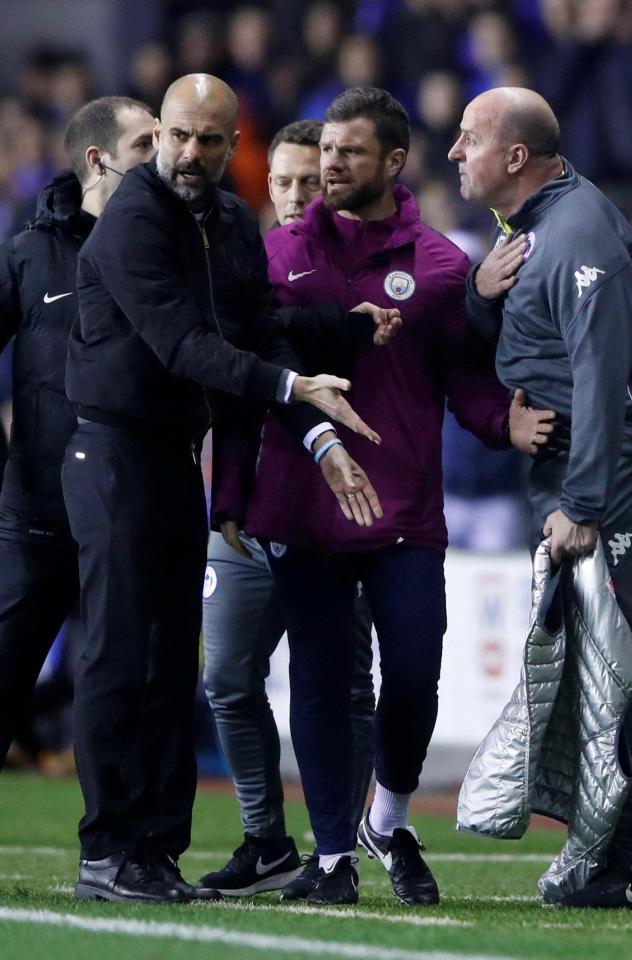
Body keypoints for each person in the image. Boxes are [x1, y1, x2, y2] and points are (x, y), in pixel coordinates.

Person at [214, 86, 554, 906]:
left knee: (412, 675)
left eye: (349, 153)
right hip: (300, 505)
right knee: (323, 683)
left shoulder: (439, 269)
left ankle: (388, 817)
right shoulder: (279, 255)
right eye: (326, 151)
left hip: (403, 510)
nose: (329, 166)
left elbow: (462, 381)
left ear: (393, 162)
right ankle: (332, 854)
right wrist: (230, 489)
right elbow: (248, 379)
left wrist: (497, 424)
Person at [62, 73, 386, 905]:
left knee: (171, 661)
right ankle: (108, 849)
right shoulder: (133, 221)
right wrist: (291, 388)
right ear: (160, 135)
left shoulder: (230, 221)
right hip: (114, 453)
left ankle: (156, 852)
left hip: (174, 455)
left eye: (211, 140)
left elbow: (255, 326)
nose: (192, 153)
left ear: (232, 141)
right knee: (118, 653)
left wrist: (344, 328)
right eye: (179, 136)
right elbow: (185, 347)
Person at [449, 86, 632, 909]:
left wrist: (582, 503)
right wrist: (479, 295)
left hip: (614, 471)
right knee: (592, 667)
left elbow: (600, 376)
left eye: (468, 138)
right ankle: (606, 852)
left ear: (515, 157)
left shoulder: (578, 230)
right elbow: (519, 346)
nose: (454, 152)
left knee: (615, 669)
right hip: (570, 472)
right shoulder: (530, 230)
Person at [199, 119, 382, 898]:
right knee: (229, 678)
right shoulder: (243, 275)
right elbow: (236, 400)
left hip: (347, 513)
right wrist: (227, 496)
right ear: (265, 187)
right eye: (283, 183)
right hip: (249, 511)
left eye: (312, 181)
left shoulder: (367, 274)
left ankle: (339, 842)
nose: (298, 196)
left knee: (344, 684)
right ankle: (265, 840)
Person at [0, 96, 156, 771]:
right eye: (147, 146)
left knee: (121, 691)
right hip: (36, 512)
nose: (167, 158)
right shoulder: (29, 254)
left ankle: (114, 856)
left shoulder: (169, 252)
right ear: (98, 159)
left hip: (130, 512)